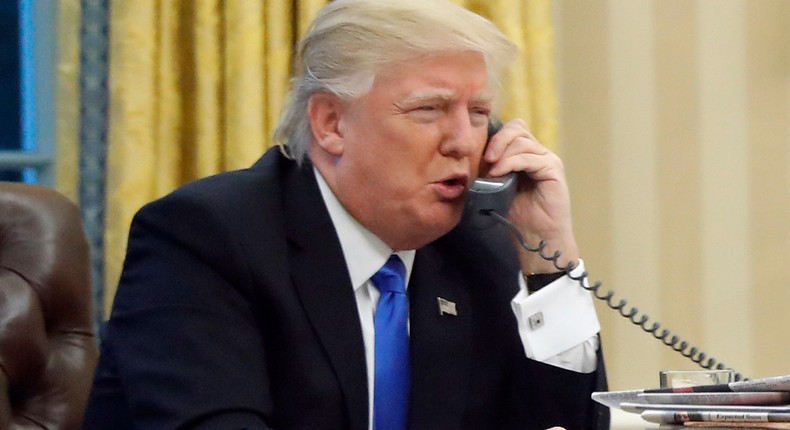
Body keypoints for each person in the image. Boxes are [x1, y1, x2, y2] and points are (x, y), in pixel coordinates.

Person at [83, 0, 609, 429]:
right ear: (332, 123)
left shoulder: (479, 249)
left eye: (477, 114)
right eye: (428, 109)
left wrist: (551, 263)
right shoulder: (206, 239)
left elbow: (567, 424)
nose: (463, 143)